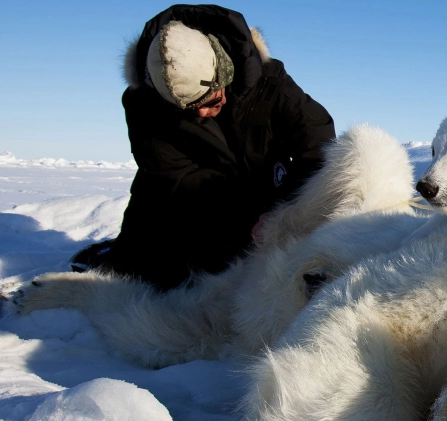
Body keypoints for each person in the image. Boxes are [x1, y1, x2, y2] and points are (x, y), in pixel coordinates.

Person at [75, 4, 335, 291]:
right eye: (188, 108)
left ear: (224, 74)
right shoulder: (144, 105)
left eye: (208, 101)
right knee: (165, 274)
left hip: (270, 185)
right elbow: (171, 177)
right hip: (199, 195)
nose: (200, 113)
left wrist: (283, 213)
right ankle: (124, 257)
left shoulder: (269, 83)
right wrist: (235, 229)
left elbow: (318, 145)